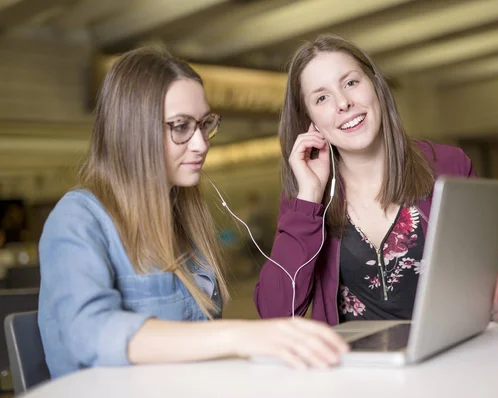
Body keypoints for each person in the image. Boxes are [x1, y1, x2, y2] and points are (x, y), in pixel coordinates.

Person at [38, 47, 348, 379]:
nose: (201, 144)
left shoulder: (185, 222)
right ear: (132, 131)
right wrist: (239, 336)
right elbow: (89, 332)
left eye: (205, 124)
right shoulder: (77, 219)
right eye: (181, 126)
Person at [254, 34, 498, 329]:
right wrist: (309, 198)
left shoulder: (448, 165)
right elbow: (276, 314)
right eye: (321, 98)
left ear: (376, 86)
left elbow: (488, 277)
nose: (343, 103)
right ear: (309, 121)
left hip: (451, 359)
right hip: (354, 369)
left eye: (351, 82)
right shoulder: (306, 196)